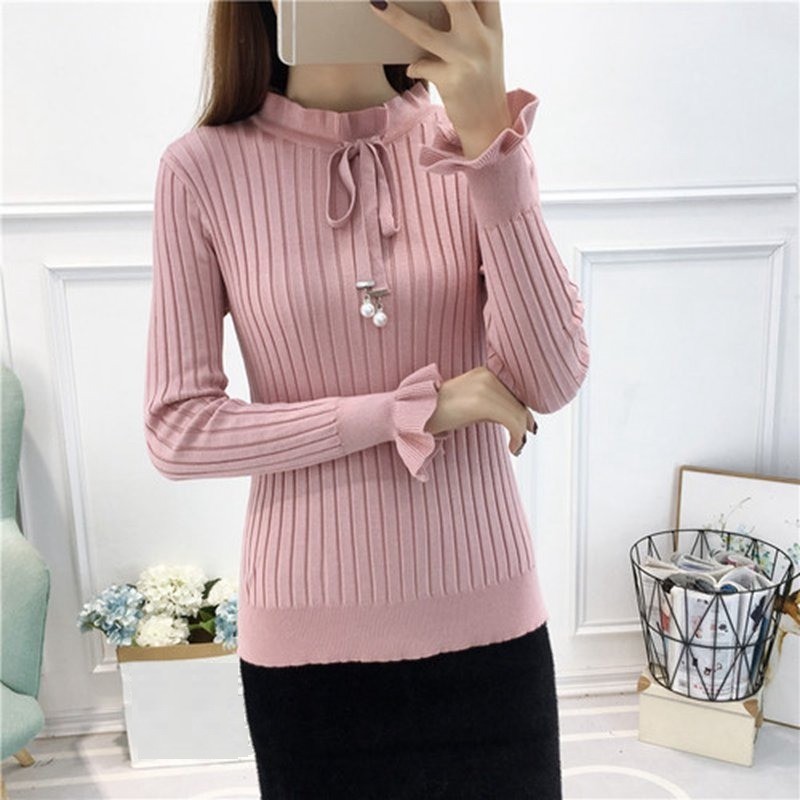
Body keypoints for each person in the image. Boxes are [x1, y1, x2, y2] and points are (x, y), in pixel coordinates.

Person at [143, 1, 590, 797]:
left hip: (488, 622)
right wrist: (408, 412)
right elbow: (179, 431)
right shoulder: (200, 170)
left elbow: (550, 378)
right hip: (308, 648)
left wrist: (490, 142)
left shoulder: (471, 141)